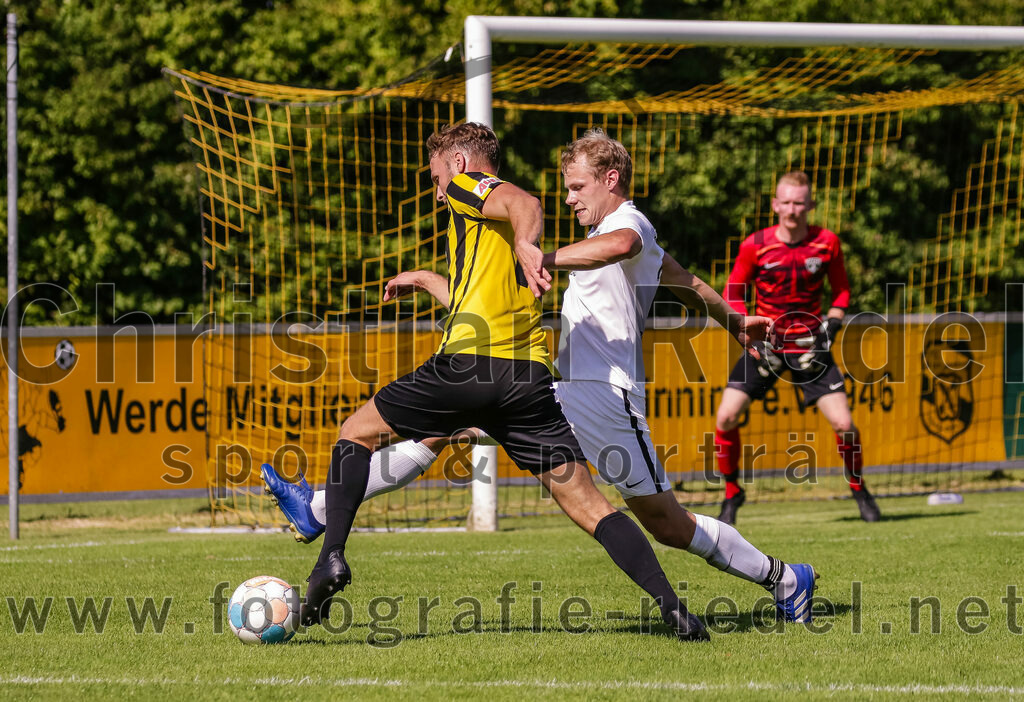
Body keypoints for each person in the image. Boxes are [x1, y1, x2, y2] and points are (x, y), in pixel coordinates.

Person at [265, 129, 818, 626]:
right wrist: (736, 320)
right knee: (452, 423)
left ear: (611, 178)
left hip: (607, 397)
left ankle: (784, 578)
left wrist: (544, 255)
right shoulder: (614, 235)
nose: (570, 198)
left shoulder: (628, 224)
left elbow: (621, 247)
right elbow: (689, 282)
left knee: (667, 524)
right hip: (562, 388)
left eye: (578, 187)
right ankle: (317, 511)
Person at [713, 170, 881, 525]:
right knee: (725, 416)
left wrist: (832, 323)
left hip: (809, 346)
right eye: (786, 202)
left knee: (845, 425)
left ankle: (858, 487)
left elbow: (842, 291)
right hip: (768, 345)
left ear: (811, 205)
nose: (792, 210)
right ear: (775, 205)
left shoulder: (827, 242)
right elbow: (733, 293)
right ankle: (731, 494)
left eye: (799, 203)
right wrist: (747, 325)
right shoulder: (754, 244)